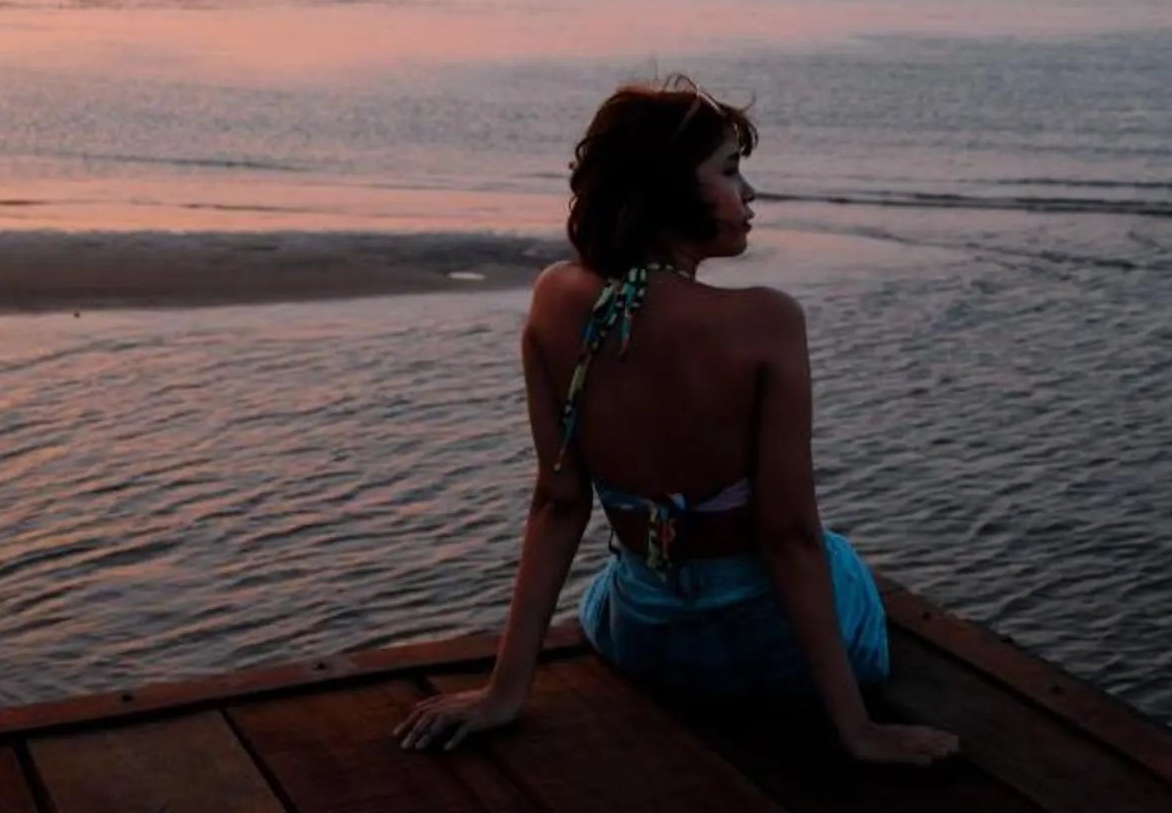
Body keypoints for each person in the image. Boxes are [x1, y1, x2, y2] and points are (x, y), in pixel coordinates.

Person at [396, 77, 958, 766]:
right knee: (836, 554)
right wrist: (857, 730)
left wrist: (503, 692)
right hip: (776, 655)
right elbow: (787, 538)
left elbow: (558, 503)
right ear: (668, 189)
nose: (750, 193)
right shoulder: (765, 322)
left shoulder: (553, 298)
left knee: (617, 587)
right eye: (730, 171)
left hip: (645, 641)